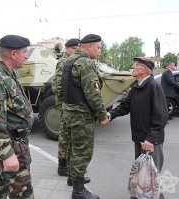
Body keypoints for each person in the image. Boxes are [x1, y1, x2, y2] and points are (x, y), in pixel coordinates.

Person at [0, 35, 34, 199]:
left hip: (17, 143)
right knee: (23, 192)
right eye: (24, 52)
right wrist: (7, 154)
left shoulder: (8, 73)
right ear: (14, 54)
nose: (26, 55)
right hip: (11, 145)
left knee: (0, 185)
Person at [108, 57, 168, 199]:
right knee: (142, 169)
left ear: (144, 70)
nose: (133, 67)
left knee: (153, 171)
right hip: (140, 137)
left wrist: (151, 138)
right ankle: (140, 194)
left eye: (136, 66)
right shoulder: (137, 87)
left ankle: (155, 196)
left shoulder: (153, 86)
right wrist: (110, 115)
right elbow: (125, 106)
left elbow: (161, 116)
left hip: (150, 140)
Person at [62, 34, 110, 199]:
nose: (99, 51)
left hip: (69, 112)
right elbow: (93, 94)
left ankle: (73, 177)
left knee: (72, 147)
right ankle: (78, 191)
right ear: (89, 46)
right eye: (98, 47)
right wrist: (102, 115)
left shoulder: (69, 61)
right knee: (82, 151)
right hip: (81, 115)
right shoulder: (85, 63)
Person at [52, 38, 80, 177]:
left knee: (68, 135)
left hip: (67, 104)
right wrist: (64, 103)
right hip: (65, 104)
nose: (77, 51)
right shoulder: (65, 61)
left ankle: (67, 165)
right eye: (75, 48)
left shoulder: (71, 60)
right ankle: (62, 166)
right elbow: (57, 85)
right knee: (65, 136)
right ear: (68, 48)